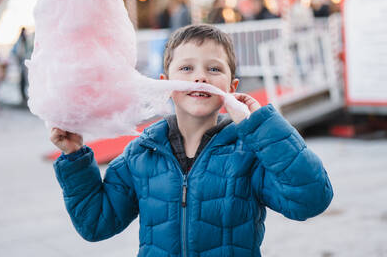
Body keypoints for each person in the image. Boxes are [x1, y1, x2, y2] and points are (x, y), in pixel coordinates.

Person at [50, 24, 333, 255]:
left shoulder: (248, 152)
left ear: (232, 86)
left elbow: (311, 199)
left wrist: (260, 126)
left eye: (214, 69)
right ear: (166, 83)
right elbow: (96, 223)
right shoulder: (141, 154)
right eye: (186, 69)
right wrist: (74, 158)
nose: (200, 77)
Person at [11, 27, 29, 103]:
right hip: (22, 63)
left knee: (23, 80)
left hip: (22, 63)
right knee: (23, 80)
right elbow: (20, 52)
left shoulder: (20, 39)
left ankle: (23, 95)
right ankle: (23, 95)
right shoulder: (22, 40)